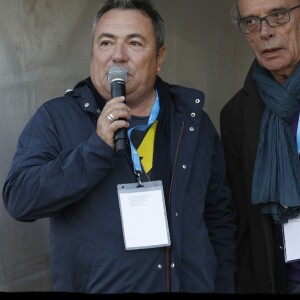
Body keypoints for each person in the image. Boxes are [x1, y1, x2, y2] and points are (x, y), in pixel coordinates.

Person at [2, 0, 236, 294]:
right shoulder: (56, 117)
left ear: (160, 57)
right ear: (93, 52)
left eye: (135, 43)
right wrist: (95, 150)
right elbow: (19, 199)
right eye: (106, 43)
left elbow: (219, 218)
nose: (118, 56)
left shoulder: (191, 123)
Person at [220, 0, 300, 294]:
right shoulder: (236, 115)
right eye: (251, 22)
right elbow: (240, 225)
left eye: (278, 15)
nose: (264, 32)